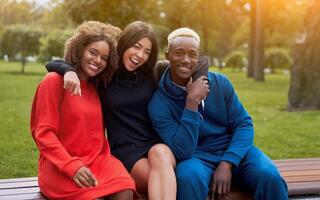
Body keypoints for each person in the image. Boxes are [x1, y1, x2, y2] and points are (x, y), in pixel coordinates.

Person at [45, 21, 209, 200]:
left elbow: (200, 61)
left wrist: (198, 84)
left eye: (147, 52)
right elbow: (54, 63)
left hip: (156, 147)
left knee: (160, 155)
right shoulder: (105, 74)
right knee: (164, 182)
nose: (140, 56)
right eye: (136, 47)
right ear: (123, 44)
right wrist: (68, 71)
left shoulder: (155, 72)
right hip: (125, 151)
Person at [148, 27, 289, 200]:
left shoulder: (220, 83)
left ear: (198, 57)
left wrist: (227, 163)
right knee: (187, 179)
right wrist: (191, 102)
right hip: (196, 157)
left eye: (192, 54)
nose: (186, 60)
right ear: (167, 55)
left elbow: (244, 124)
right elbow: (182, 151)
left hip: (233, 150)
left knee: (270, 176)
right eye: (179, 53)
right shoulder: (159, 103)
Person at [30, 21, 136, 200]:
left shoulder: (96, 87)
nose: (98, 61)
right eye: (93, 53)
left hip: (97, 160)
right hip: (60, 165)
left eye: (104, 58)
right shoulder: (53, 82)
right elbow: (44, 133)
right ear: (79, 50)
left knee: (125, 188)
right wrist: (72, 166)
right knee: (91, 197)